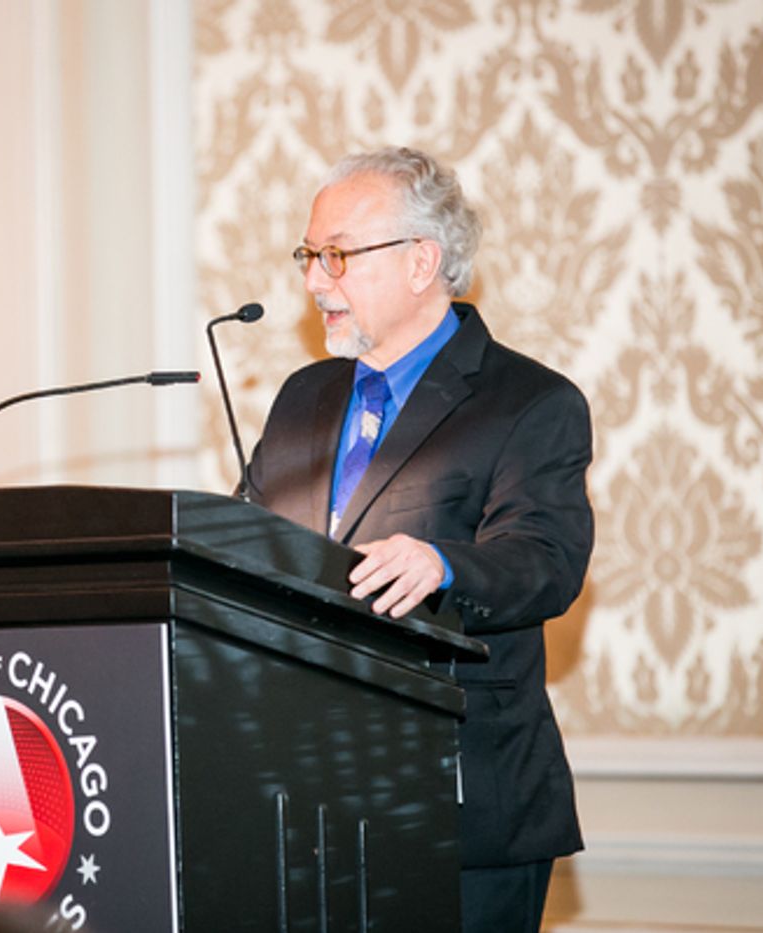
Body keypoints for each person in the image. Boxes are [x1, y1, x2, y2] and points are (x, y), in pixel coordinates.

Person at [243, 146, 593, 933]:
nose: (313, 282)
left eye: (336, 255)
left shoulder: (529, 402)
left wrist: (441, 562)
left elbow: (546, 561)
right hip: (305, 807)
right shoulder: (303, 398)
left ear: (421, 261)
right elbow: (250, 547)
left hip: (461, 803)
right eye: (309, 255)